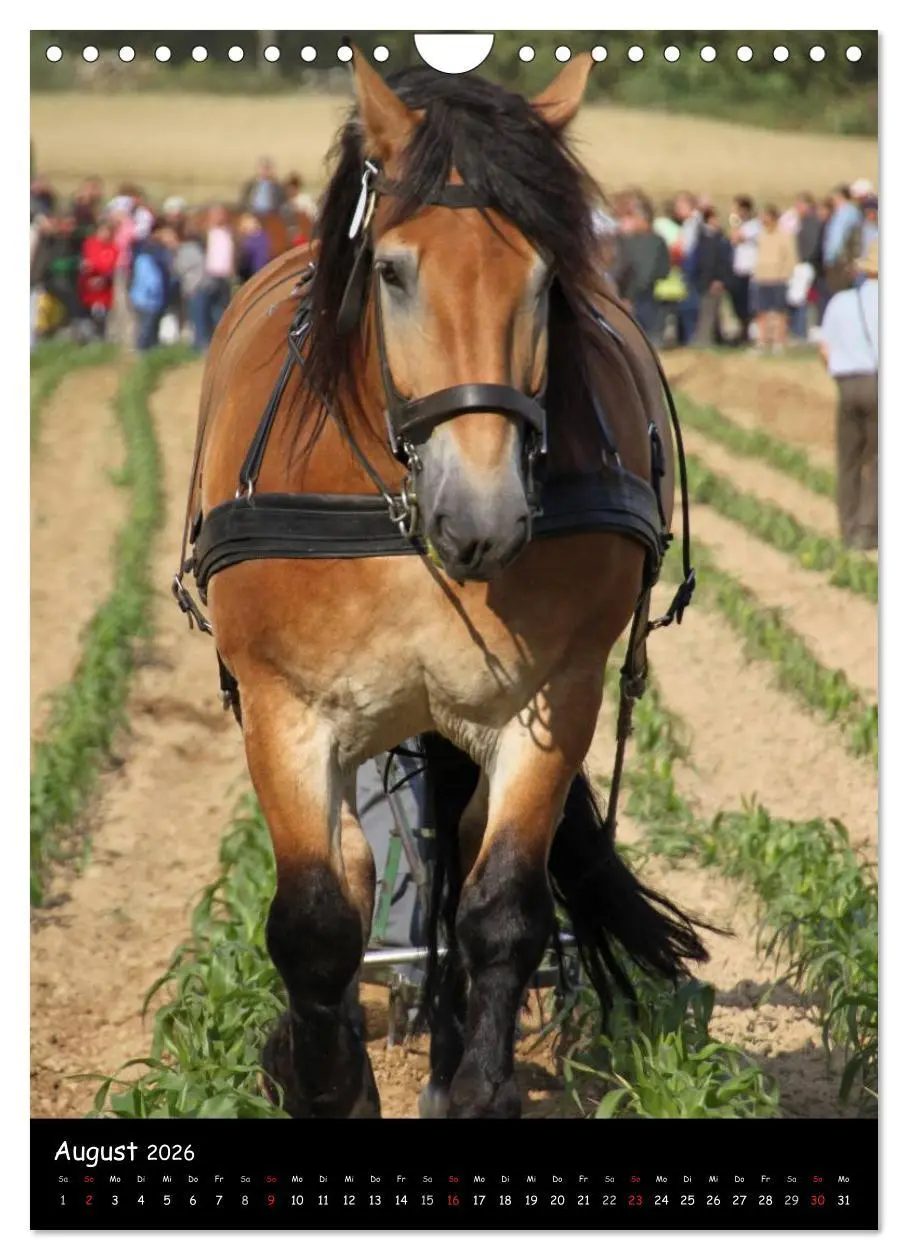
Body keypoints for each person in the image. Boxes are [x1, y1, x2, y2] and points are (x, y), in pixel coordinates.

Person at [818, 241, 878, 551]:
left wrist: (839, 374)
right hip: (879, 384)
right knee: (879, 460)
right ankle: (868, 531)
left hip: (847, 383)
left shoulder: (842, 301)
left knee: (849, 461)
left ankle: (848, 527)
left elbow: (824, 348)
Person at [612, 198, 670, 345]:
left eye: (633, 217)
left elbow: (651, 271)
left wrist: (629, 295)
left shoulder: (650, 242)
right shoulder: (626, 241)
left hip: (645, 297)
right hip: (633, 295)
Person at [751, 205, 798, 354]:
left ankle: (779, 342)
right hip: (761, 278)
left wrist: (786, 274)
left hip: (778, 278)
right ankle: (762, 341)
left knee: (780, 312)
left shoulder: (785, 235)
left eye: (766, 217)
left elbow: (791, 257)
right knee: (761, 312)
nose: (763, 220)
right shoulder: (761, 235)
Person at [129, 220, 176, 351]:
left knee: (153, 329)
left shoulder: (161, 252)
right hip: (147, 300)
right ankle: (142, 353)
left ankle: (151, 353)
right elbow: (149, 278)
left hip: (156, 299)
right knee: (146, 329)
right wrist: (152, 293)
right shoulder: (148, 254)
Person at [692, 207, 732, 347]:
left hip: (711, 281)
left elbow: (722, 261)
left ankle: (711, 339)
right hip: (707, 281)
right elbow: (708, 261)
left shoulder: (713, 238)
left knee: (713, 311)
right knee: (708, 312)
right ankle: (705, 341)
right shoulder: (709, 239)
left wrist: (720, 279)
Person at [77, 218, 118, 340]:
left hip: (103, 291)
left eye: (108, 231)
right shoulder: (89, 244)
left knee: (100, 318)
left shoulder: (113, 248)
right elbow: (83, 260)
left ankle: (100, 341)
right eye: (102, 231)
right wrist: (84, 266)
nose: (105, 234)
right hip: (86, 288)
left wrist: (103, 278)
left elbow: (112, 267)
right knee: (85, 318)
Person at [728, 195, 760, 346]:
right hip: (738, 269)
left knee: (748, 304)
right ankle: (742, 331)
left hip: (749, 270)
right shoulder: (744, 225)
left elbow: (736, 237)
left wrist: (734, 222)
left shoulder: (753, 225)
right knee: (738, 303)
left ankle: (747, 333)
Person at [822, 184, 863, 298]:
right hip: (833, 260)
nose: (832, 200)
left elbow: (844, 238)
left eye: (834, 197)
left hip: (842, 260)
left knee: (842, 294)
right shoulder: (837, 213)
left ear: (841, 197)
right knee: (834, 293)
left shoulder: (850, 213)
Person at [236, 213, 271, 285]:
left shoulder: (250, 241)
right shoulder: (262, 236)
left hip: (255, 273)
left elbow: (245, 260)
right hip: (262, 271)